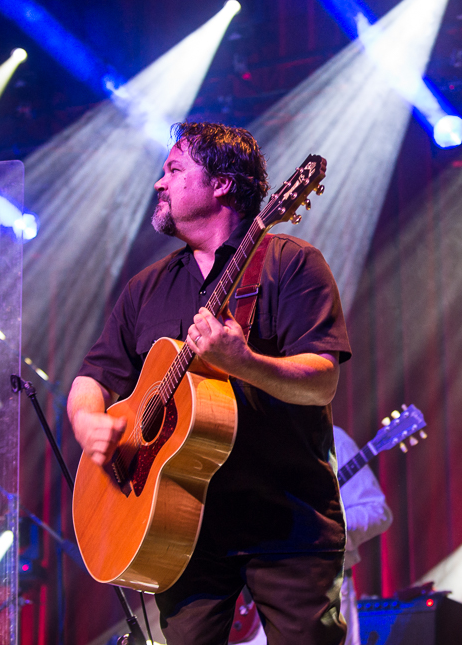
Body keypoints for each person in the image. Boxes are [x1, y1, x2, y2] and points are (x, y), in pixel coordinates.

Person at [68, 122, 352, 645]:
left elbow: (322, 381)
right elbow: (94, 377)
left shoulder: (291, 264)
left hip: (286, 520)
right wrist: (89, 422)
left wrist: (243, 361)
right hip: (179, 527)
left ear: (221, 184)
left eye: (174, 169)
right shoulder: (146, 287)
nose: (160, 183)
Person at [245, 425, 393, 645]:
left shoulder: (332, 438)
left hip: (321, 588)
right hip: (255, 593)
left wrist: (322, 526)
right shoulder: (252, 437)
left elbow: (377, 512)